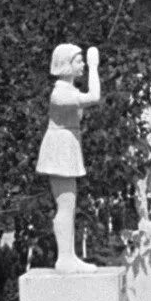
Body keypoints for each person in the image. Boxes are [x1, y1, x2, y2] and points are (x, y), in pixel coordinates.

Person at [36, 43, 102, 272]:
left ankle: (69, 255)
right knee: (65, 206)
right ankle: (64, 258)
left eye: (83, 60)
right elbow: (94, 96)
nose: (82, 64)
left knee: (68, 205)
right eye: (78, 60)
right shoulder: (61, 93)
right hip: (60, 147)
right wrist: (94, 66)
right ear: (65, 65)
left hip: (67, 144)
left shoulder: (68, 91)